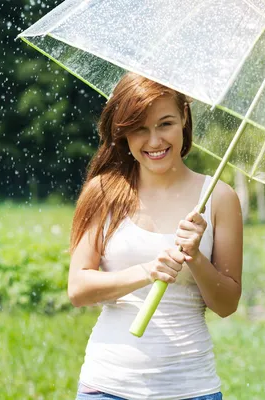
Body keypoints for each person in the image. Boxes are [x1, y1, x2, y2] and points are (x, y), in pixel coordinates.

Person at [67, 72, 243, 400]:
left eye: (165, 124)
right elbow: (78, 289)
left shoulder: (218, 197)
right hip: (108, 387)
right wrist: (147, 272)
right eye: (139, 128)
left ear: (184, 119)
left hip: (191, 388)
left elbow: (227, 304)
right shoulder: (103, 191)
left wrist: (197, 257)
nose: (154, 142)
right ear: (123, 132)